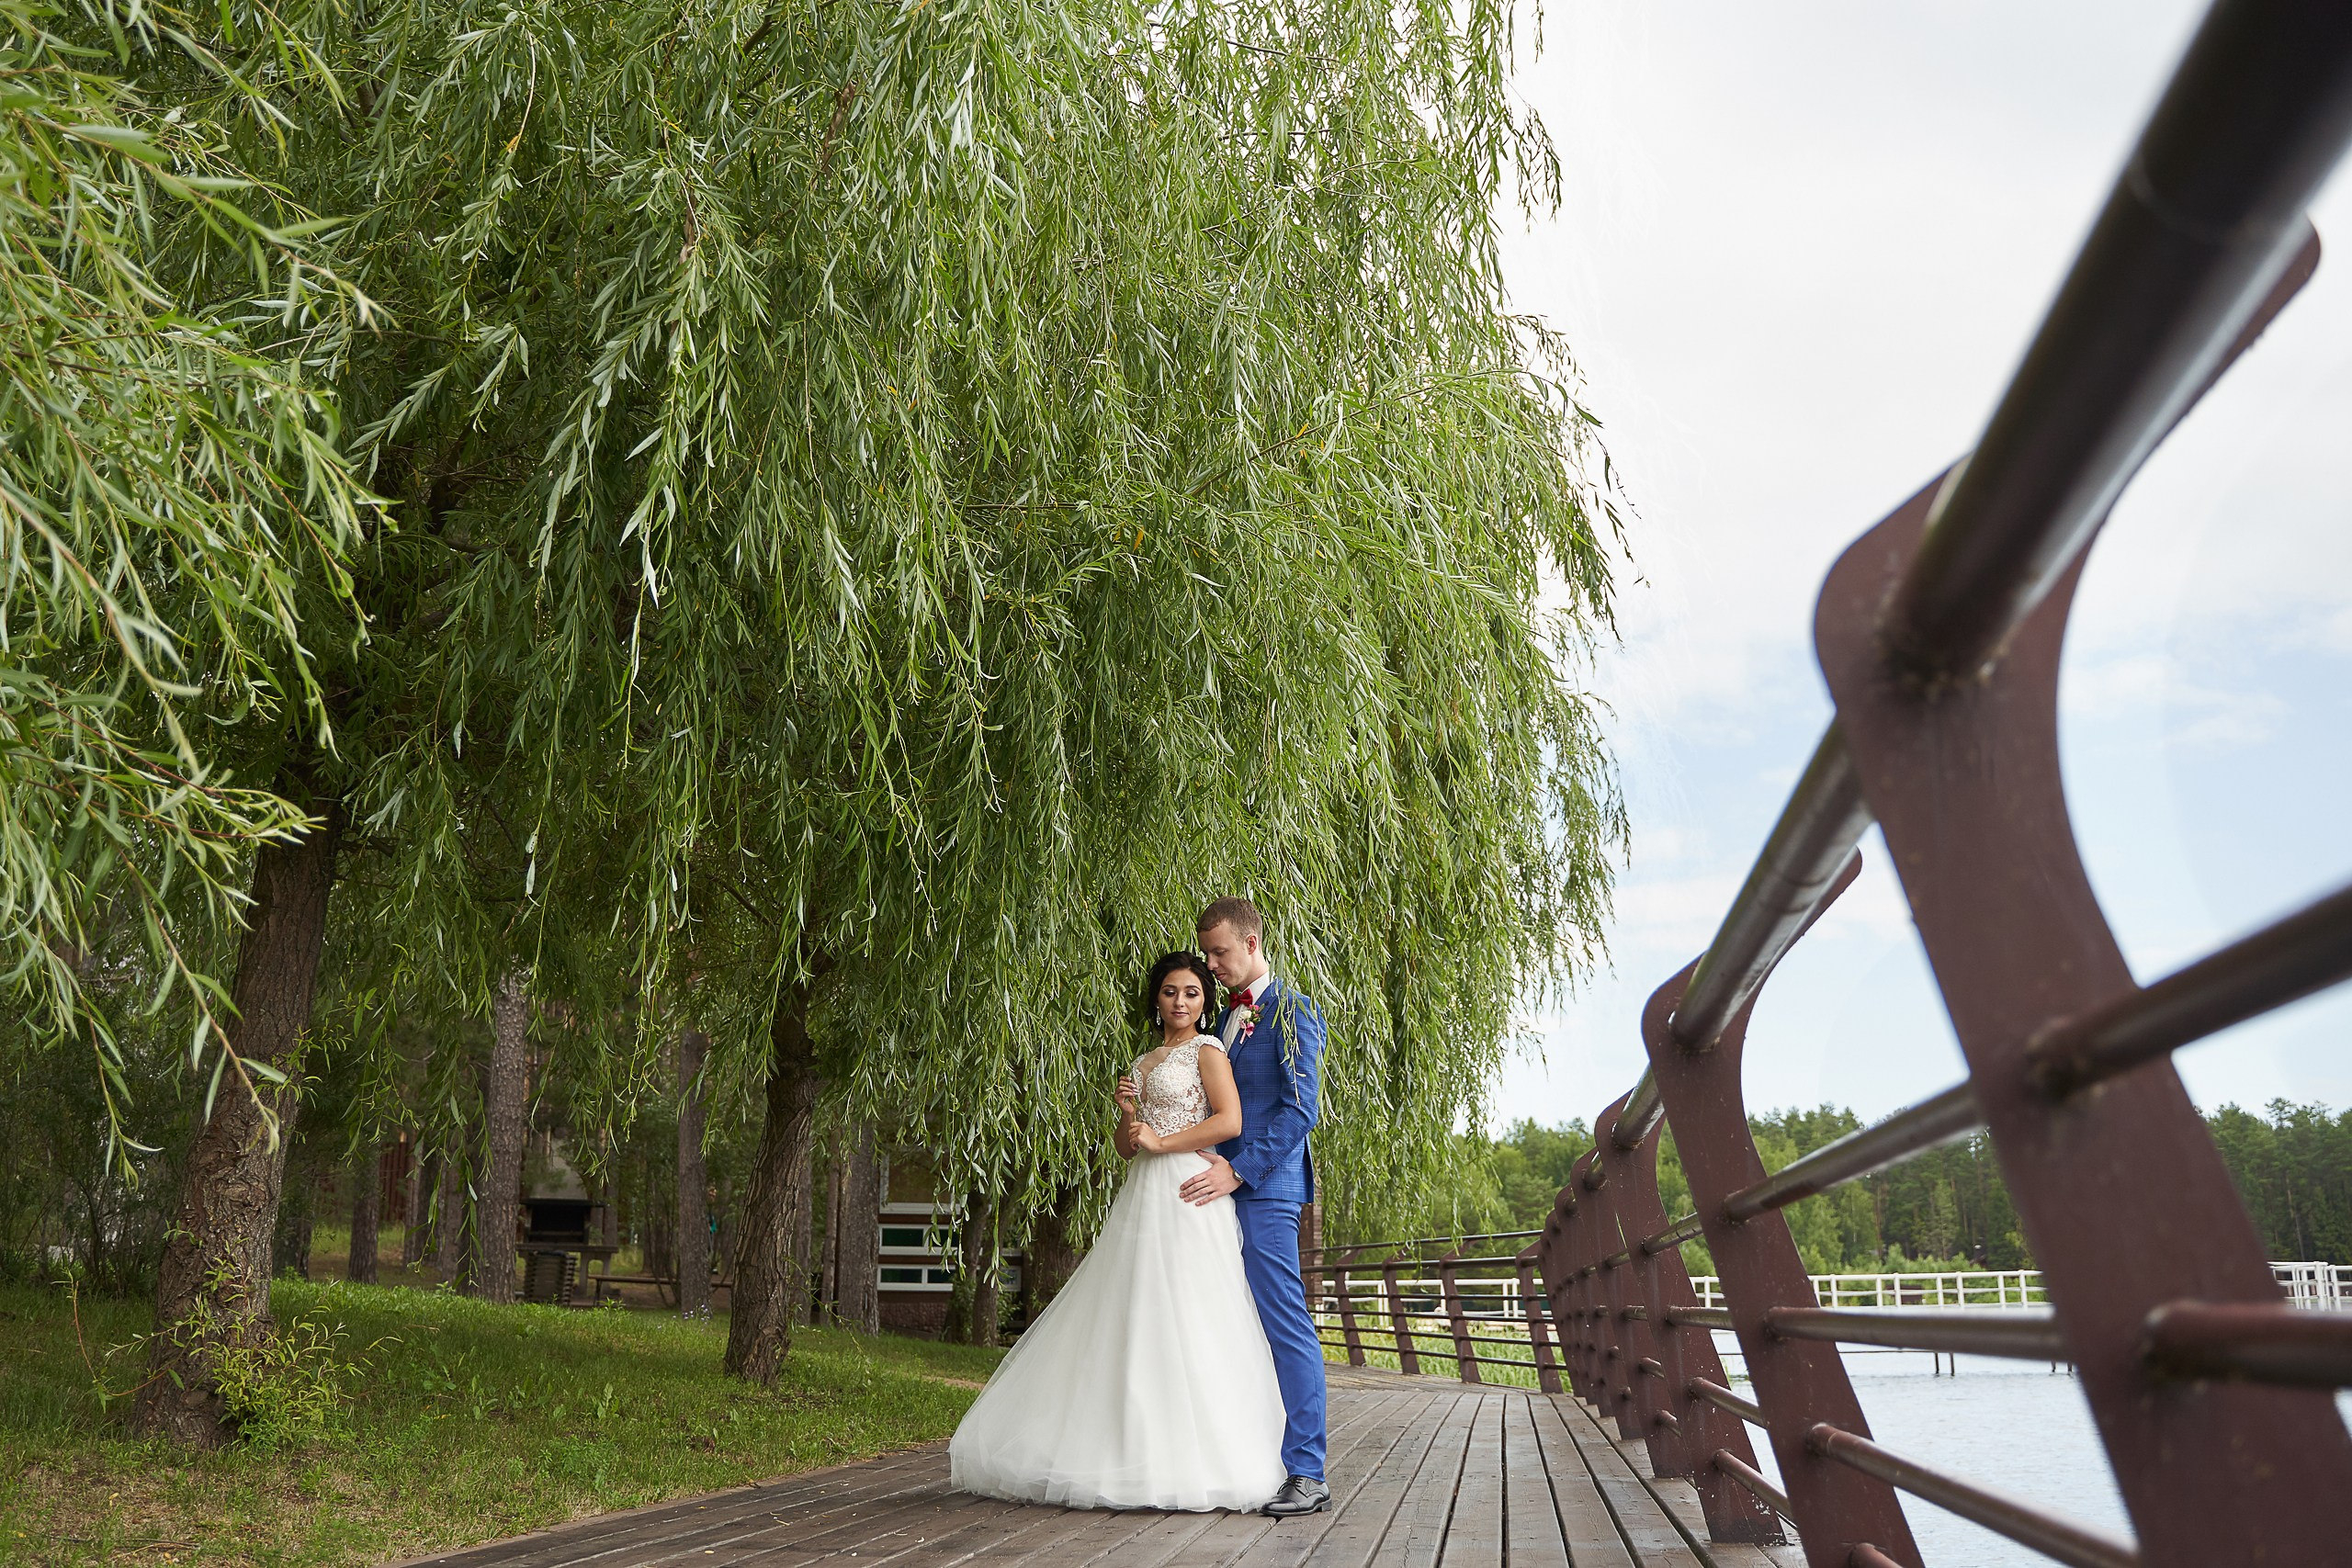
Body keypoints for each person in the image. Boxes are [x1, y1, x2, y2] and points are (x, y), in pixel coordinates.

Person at [948, 950, 1287, 1511]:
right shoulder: (1143, 1061)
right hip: (1143, 1192)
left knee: (1190, 1311)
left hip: (1188, 1188)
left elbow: (1230, 1122)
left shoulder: (1210, 1051)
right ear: (1156, 999)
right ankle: (1126, 1442)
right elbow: (1126, 1146)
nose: (1181, 1002)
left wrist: (1163, 1142)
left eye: (1192, 993)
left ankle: (1201, 1455)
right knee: (1133, 1307)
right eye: (1171, 992)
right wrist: (1129, 1117)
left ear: (1205, 1002)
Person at [1182, 896, 1330, 1517]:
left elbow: (1300, 1109)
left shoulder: (1293, 1011)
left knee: (1284, 1325)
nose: (1211, 963)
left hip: (1265, 1192)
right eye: (1207, 952)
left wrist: (1239, 1171)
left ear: (1250, 942)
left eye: (1219, 951)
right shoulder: (1226, 1021)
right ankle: (1244, 1456)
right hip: (1218, 1189)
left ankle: (1308, 1471)